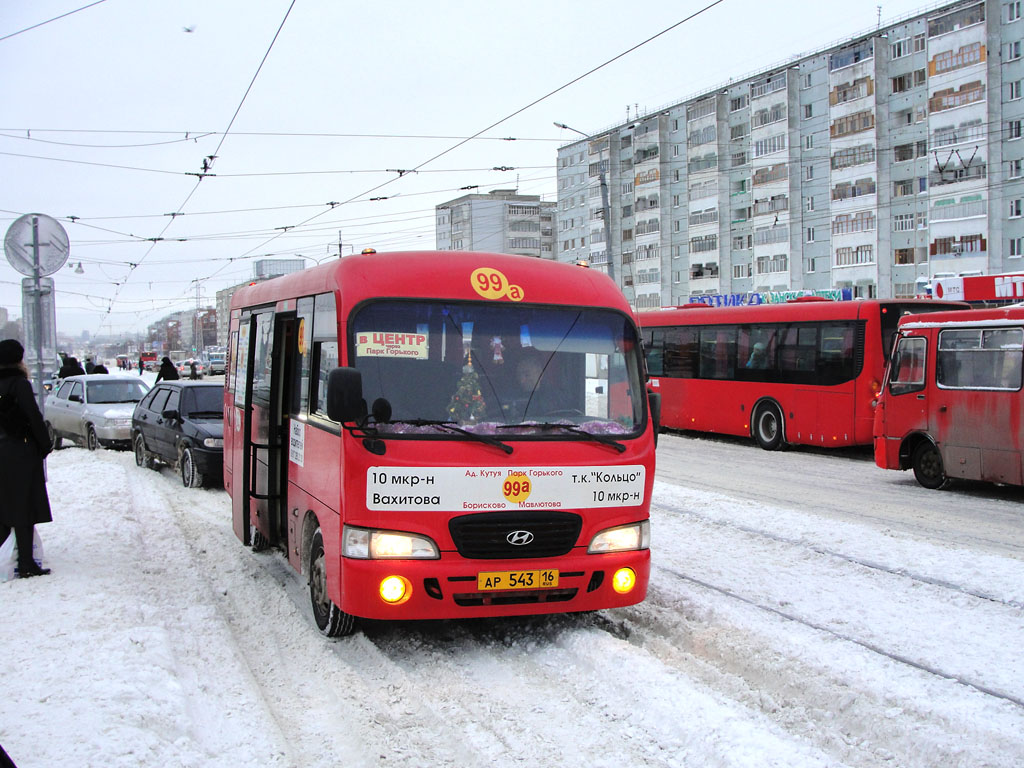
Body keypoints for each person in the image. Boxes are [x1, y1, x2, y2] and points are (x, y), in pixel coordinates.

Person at [0, 339, 53, 578]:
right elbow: (32, 415)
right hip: (18, 450)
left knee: (3, 502)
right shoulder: (19, 384)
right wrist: (44, 444)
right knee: (23, 504)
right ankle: (25, 562)